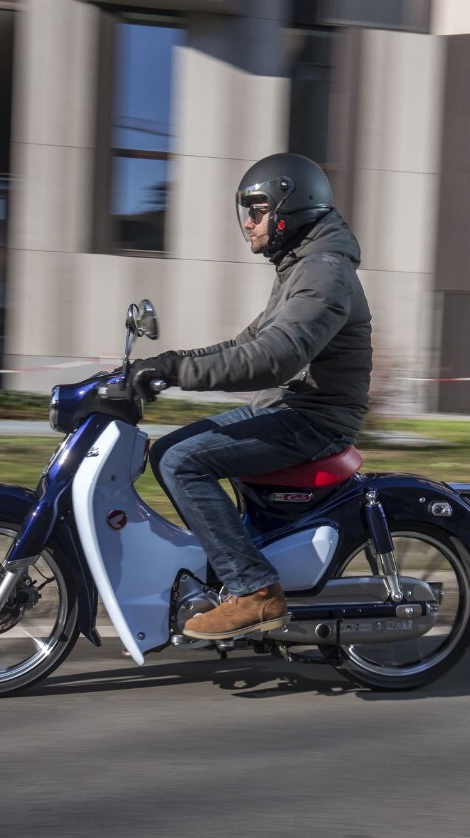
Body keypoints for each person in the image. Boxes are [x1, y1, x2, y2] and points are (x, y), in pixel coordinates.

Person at [128, 152, 372, 640]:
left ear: (290, 208)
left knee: (181, 461)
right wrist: (163, 363)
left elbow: (273, 359)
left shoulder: (323, 273)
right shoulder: (300, 269)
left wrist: (176, 372)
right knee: (169, 449)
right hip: (286, 409)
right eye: (247, 211)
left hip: (313, 421)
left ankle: (254, 590)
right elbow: (244, 344)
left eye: (258, 211)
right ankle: (231, 568)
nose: (248, 222)